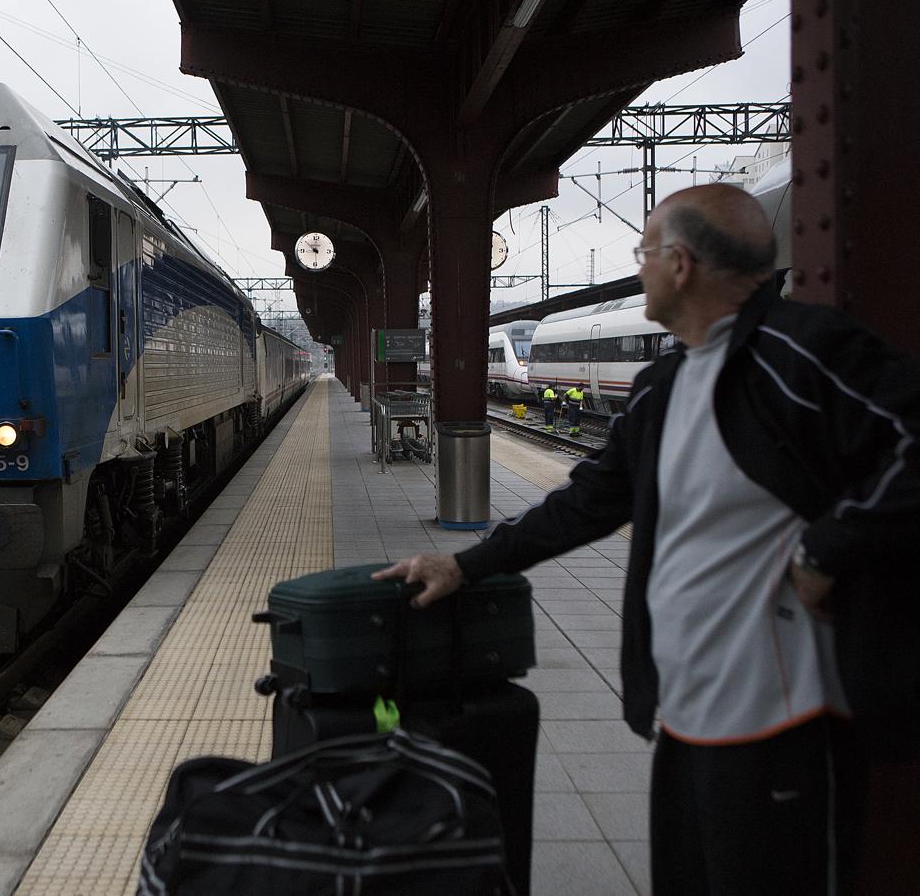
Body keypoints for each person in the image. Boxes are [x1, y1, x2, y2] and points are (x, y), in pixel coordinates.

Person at [375, 183, 920, 895]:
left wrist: (830, 548)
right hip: (687, 715)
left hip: (785, 720)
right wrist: (467, 564)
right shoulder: (665, 384)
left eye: (644, 252)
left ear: (682, 263)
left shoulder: (803, 353)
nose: (640, 269)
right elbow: (590, 501)